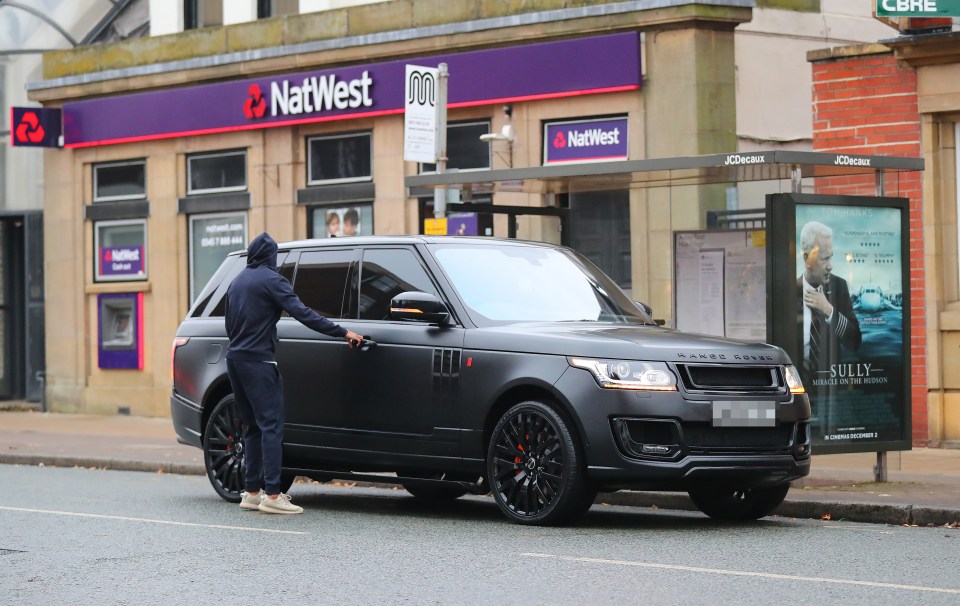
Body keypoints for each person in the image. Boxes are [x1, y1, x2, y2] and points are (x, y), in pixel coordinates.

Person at [225, 232, 363, 514]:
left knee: (251, 426)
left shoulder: (237, 281)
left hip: (234, 359)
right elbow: (303, 313)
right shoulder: (272, 280)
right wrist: (342, 332)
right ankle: (273, 495)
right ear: (271, 256)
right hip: (259, 362)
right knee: (271, 426)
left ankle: (251, 492)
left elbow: (229, 323)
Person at [796, 220, 861, 382]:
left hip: (831, 390)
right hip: (799, 389)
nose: (830, 266)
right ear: (807, 259)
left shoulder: (839, 287)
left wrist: (829, 310)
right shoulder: (789, 292)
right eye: (824, 259)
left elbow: (855, 342)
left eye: (830, 258)